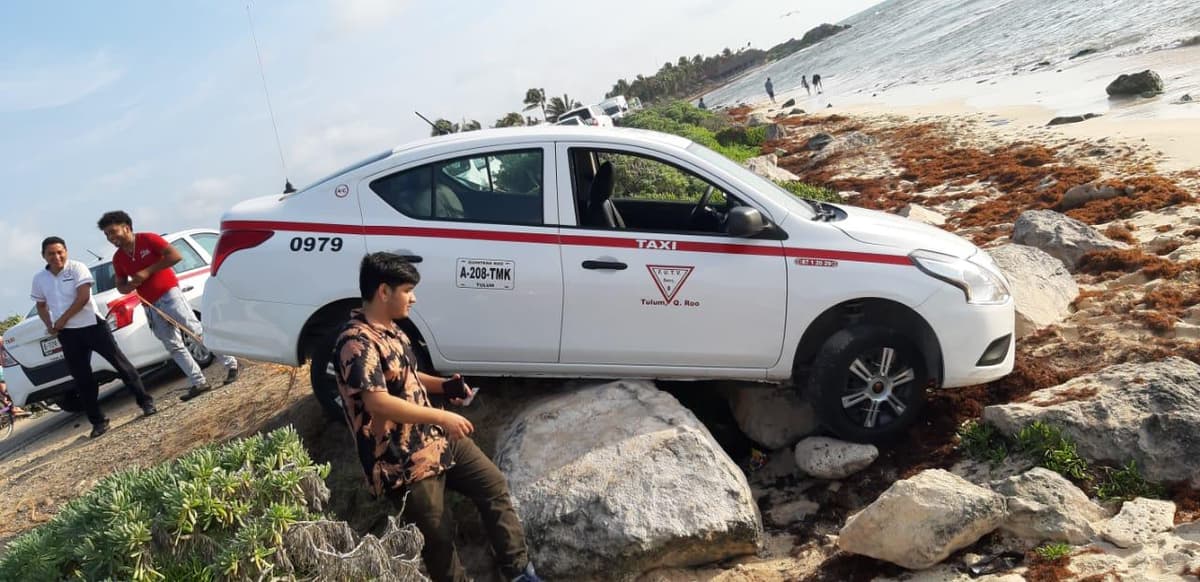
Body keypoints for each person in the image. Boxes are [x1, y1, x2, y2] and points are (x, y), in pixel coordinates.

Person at [334, 253, 541, 582]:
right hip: (400, 461)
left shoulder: (393, 331)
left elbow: (408, 377)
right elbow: (378, 402)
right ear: (384, 292)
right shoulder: (355, 342)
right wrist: (442, 417)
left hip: (434, 440)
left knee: (493, 485)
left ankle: (518, 572)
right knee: (438, 541)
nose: (413, 297)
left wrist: (445, 386)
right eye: (407, 290)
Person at [97, 211, 238, 402]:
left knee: (195, 330)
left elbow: (175, 256)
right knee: (172, 345)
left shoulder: (148, 239)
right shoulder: (118, 258)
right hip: (150, 304)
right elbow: (120, 285)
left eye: (113, 232)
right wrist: (129, 286)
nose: (111, 238)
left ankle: (231, 364)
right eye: (107, 235)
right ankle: (198, 382)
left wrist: (147, 272)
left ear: (127, 227)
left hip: (169, 294)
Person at [31, 236, 157, 437]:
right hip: (68, 335)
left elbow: (83, 298)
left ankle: (146, 402)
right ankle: (98, 422)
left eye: (59, 252)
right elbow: (40, 305)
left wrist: (61, 320)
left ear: (66, 251)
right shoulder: (40, 279)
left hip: (92, 326)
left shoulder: (77, 268)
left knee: (122, 366)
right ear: (43, 256)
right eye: (50, 253)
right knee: (82, 380)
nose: (56, 257)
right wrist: (50, 325)